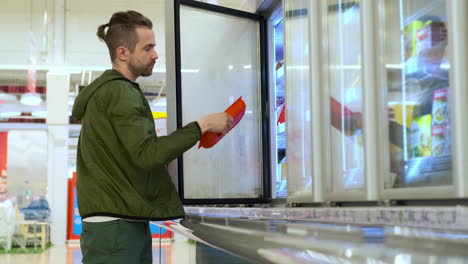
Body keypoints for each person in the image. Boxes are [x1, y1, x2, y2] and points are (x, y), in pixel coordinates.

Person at [72, 10, 233, 264]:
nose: (155, 54)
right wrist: (201, 126)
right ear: (123, 53)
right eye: (148, 48)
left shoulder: (108, 93)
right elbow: (147, 154)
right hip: (116, 227)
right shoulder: (120, 92)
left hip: (116, 220)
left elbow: (133, 157)